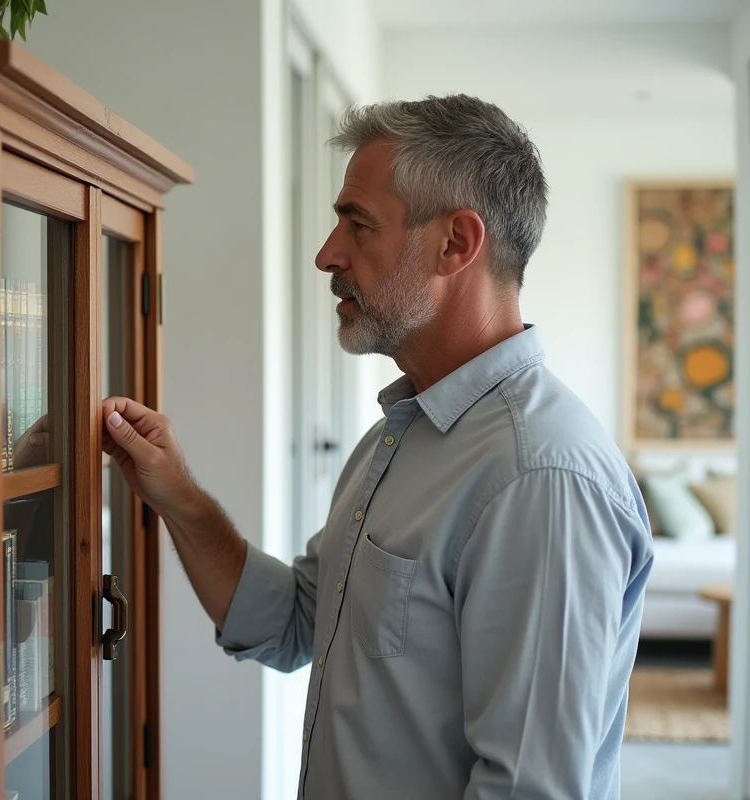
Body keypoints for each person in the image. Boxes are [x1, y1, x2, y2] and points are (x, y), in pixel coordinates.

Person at [100, 94, 654, 800]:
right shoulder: (397, 437)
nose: (327, 255)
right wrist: (176, 495)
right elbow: (296, 622)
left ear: (457, 243)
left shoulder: (537, 477)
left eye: (358, 225)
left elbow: (531, 789)